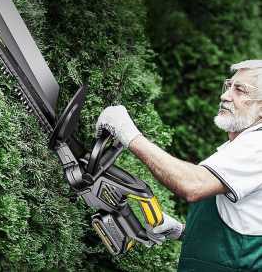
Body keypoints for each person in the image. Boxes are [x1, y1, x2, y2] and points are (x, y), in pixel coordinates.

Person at [95, 60, 262, 272]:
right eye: (228, 86)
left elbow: (193, 185)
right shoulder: (238, 148)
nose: (225, 96)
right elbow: (245, 226)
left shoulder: (258, 146)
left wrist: (128, 133)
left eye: (240, 90)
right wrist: (182, 231)